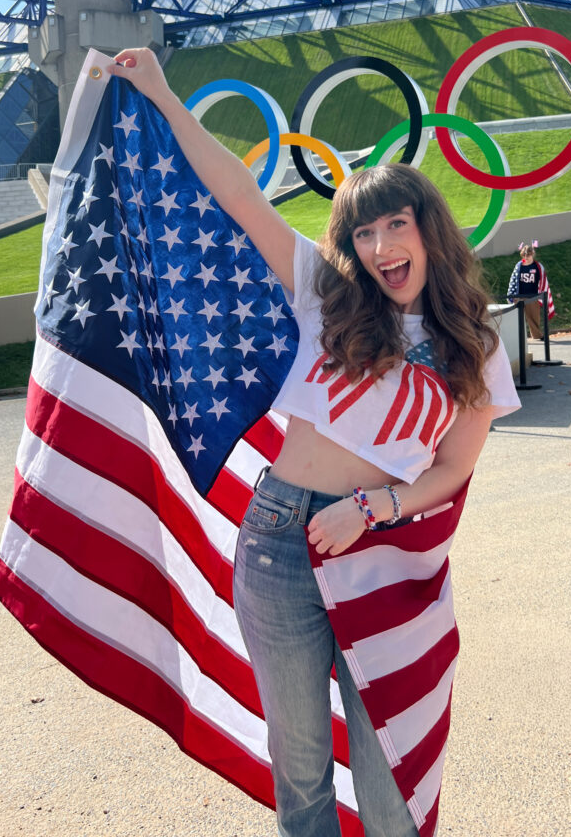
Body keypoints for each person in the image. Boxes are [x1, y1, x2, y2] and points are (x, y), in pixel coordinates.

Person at [107, 47, 521, 837]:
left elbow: (455, 468)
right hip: (278, 542)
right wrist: (159, 91)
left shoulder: (473, 342)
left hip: (388, 554)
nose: (379, 244)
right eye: (363, 231)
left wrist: (375, 505)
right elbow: (237, 193)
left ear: (427, 229)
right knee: (300, 775)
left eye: (396, 222)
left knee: (390, 775)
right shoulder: (324, 295)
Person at [506, 242, 550, 341]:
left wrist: (541, 294)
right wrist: (513, 295)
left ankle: (537, 335)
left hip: (532, 296)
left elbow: (542, 280)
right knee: (517, 318)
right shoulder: (519, 266)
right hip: (519, 295)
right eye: (524, 255)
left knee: (533, 317)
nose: (527, 257)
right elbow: (513, 280)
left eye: (528, 255)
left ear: (532, 254)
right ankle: (517, 337)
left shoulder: (537, 267)